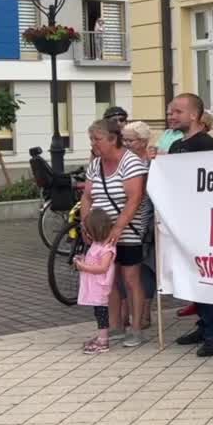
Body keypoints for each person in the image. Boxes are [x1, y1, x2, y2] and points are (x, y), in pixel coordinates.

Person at [166, 94, 213, 353]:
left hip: (202, 223)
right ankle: (204, 323)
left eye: (177, 111)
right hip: (182, 222)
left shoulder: (204, 144)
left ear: (194, 115)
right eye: (170, 111)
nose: (171, 116)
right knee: (192, 276)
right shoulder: (176, 146)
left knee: (206, 276)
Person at [82, 118, 150, 349]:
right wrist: (85, 224)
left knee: (130, 279)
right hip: (100, 232)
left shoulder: (130, 162)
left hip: (127, 230)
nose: (94, 144)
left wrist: (119, 227)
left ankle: (136, 328)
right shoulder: (96, 163)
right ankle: (115, 326)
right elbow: (87, 196)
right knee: (107, 281)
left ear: (113, 139)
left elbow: (135, 197)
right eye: (91, 139)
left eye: (97, 139)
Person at [121, 120, 156, 328]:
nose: (125, 143)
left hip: (145, 221)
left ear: (142, 142)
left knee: (146, 268)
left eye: (130, 140)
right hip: (127, 221)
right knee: (128, 269)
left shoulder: (152, 162)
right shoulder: (122, 160)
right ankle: (127, 313)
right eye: (123, 139)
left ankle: (144, 313)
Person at [74, 208, 118, 355]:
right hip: (94, 285)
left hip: (100, 287)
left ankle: (103, 340)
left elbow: (102, 268)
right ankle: (101, 337)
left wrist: (83, 266)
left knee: (101, 313)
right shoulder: (97, 244)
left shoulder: (107, 248)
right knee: (98, 312)